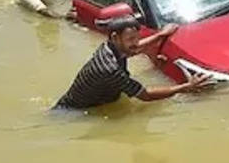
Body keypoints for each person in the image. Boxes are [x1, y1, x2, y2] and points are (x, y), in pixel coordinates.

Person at [54, 16, 210, 110]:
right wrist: (186, 87)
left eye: (136, 37)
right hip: (76, 112)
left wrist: (160, 35)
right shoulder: (110, 69)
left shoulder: (110, 47)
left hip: (88, 102)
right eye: (130, 39)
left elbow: (136, 47)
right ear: (115, 37)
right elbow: (145, 95)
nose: (135, 43)